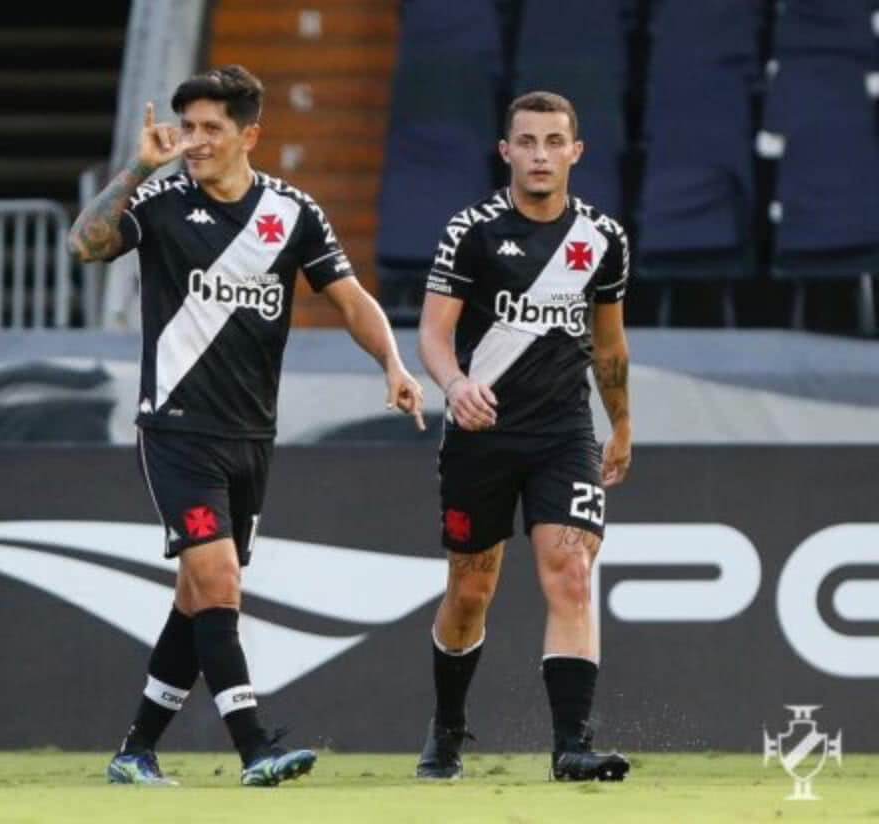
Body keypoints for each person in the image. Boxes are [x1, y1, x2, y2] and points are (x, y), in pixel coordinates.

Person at [69, 65, 425, 787]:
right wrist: (139, 164)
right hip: (176, 429)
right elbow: (85, 243)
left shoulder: (292, 214)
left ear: (249, 135)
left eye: (210, 129)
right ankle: (255, 746)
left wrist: (393, 361)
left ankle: (135, 750)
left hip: (251, 436)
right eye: (188, 127)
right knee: (219, 579)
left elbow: (352, 298)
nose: (194, 142)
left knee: (197, 596)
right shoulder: (163, 201)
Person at [415, 90, 632, 782]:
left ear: (576, 151)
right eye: (527, 142)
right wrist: (454, 385)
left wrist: (621, 423)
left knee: (571, 572)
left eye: (553, 142)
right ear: (505, 151)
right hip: (480, 433)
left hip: (563, 433)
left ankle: (572, 746)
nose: (540, 155)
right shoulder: (471, 230)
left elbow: (609, 346)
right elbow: (433, 334)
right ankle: (447, 727)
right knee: (471, 591)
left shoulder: (603, 239)